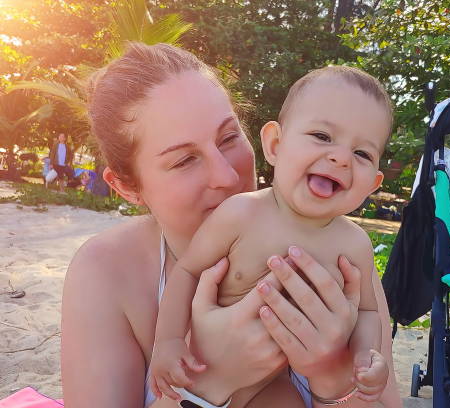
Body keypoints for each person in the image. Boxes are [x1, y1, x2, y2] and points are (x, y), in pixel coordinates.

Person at [61, 42, 401, 408]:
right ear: (127, 186)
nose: (226, 176)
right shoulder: (108, 271)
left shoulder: (341, 253)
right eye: (183, 160)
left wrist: (333, 376)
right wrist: (211, 382)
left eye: (228, 138)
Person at [151, 66, 391, 406]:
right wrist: (169, 341)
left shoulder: (354, 245)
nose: (340, 157)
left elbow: (368, 312)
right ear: (275, 144)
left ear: (373, 184)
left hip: (275, 382)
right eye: (322, 136)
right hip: (209, 365)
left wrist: (367, 356)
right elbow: (187, 271)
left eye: (362, 153)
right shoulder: (239, 214)